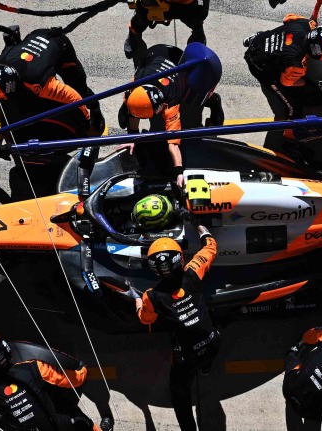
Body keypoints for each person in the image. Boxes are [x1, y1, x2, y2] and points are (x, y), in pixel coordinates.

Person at [137, 225, 220, 431]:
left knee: (179, 394)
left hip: (186, 358)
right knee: (206, 354)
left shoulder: (152, 296)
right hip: (212, 342)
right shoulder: (193, 272)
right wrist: (204, 232)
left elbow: (145, 319)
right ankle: (206, 367)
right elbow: (210, 249)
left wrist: (138, 303)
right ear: (180, 259)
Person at [0, 27, 106, 138]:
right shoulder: (2, 61)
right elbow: (9, 48)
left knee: (80, 88)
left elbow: (74, 98)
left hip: (60, 45)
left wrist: (85, 121)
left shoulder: (40, 83)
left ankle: (96, 109)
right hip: (35, 35)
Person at [0, 335, 102, 431]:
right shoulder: (34, 367)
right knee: (81, 419)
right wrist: (83, 368)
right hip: (54, 427)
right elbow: (71, 380)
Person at [243, 14, 322, 132]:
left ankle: (253, 39)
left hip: (260, 40)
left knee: (278, 34)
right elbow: (286, 83)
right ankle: (289, 136)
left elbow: (287, 18)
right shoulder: (298, 65)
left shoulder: (306, 23)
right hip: (257, 65)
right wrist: (307, 83)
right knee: (293, 108)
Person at [121, 45, 188, 186]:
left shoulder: (172, 98)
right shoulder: (137, 83)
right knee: (126, 113)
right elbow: (134, 114)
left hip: (178, 58)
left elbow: (173, 143)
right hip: (153, 53)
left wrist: (179, 172)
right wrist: (132, 136)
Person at [123, 0, 209, 60]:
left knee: (193, 18)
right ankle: (134, 32)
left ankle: (198, 32)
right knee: (141, 18)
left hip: (182, 3)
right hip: (152, 2)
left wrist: (205, 7)